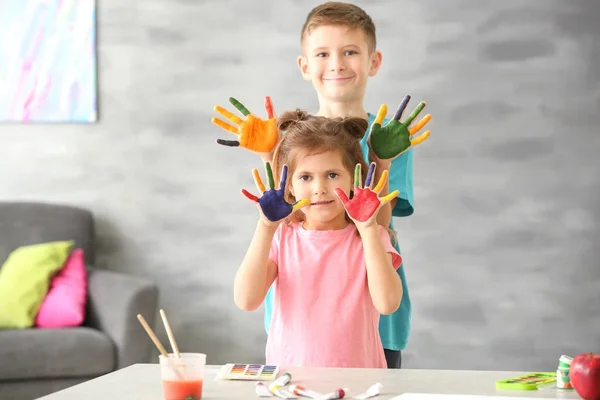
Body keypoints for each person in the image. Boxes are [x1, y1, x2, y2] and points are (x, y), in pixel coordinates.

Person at [211, 1, 432, 369]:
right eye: (323, 53)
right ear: (305, 65)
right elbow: (284, 211)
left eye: (350, 52)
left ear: (373, 61)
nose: (337, 64)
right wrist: (270, 154)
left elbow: (379, 227)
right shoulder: (291, 140)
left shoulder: (389, 138)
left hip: (372, 316)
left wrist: (381, 160)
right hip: (299, 320)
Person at [233, 110, 403, 368]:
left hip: (360, 381)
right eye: (305, 177)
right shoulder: (282, 238)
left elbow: (388, 304)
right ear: (288, 185)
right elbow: (246, 300)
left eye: (332, 174)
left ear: (353, 179)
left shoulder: (371, 237)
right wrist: (266, 227)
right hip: (290, 381)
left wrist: (368, 228)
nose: (319, 188)